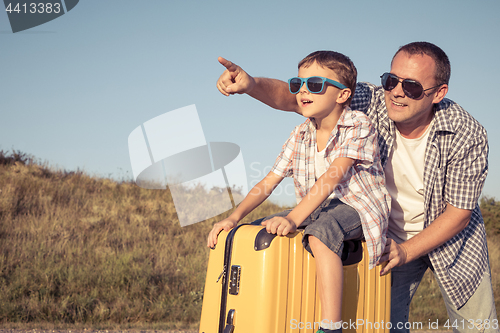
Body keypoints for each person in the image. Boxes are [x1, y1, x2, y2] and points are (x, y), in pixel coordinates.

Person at [215, 42, 499, 333]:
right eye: (391, 81)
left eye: (412, 87)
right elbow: (297, 97)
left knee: (477, 327)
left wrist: (407, 251)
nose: (397, 92)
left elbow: (458, 214)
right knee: (381, 323)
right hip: (387, 236)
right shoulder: (371, 100)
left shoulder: (466, 132)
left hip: (452, 241)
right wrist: (251, 85)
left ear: (438, 93)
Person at [207, 50, 391, 333]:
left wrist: (294, 219)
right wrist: (234, 218)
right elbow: (269, 181)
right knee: (258, 230)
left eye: (315, 85)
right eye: (298, 84)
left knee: (322, 232)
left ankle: (331, 326)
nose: (303, 90)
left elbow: (332, 178)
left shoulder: (358, 125)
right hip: (316, 205)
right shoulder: (300, 133)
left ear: (342, 95)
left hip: (360, 207)